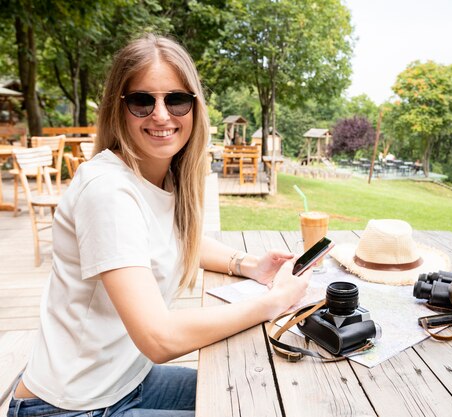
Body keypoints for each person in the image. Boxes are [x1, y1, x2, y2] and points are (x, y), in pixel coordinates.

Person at [8, 34, 310, 417]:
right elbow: (159, 338)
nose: (162, 115)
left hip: (127, 381)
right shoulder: (108, 192)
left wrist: (248, 264)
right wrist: (275, 301)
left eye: (176, 99)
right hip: (70, 407)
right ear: (119, 109)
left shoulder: (160, 177)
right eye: (142, 101)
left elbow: (174, 238)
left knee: (263, 391)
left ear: (194, 107)